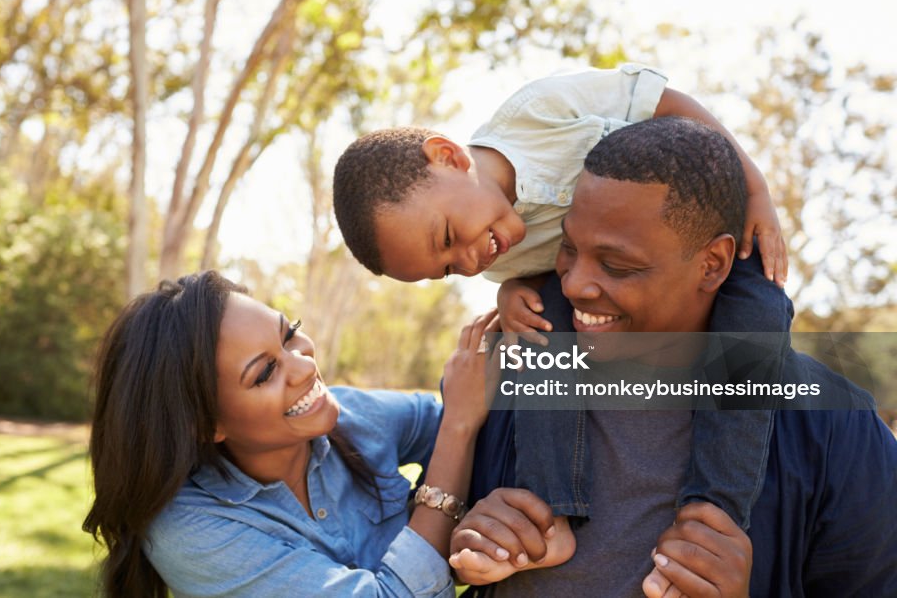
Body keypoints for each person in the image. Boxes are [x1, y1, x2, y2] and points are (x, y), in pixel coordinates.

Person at [332, 63, 791, 534]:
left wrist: (753, 188)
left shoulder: (538, 113)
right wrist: (513, 290)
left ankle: (716, 510)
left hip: (699, 238)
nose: (469, 263)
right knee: (538, 333)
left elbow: (665, 100)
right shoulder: (497, 255)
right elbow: (539, 274)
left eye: (449, 237)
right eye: (448, 269)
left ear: (447, 156)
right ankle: (548, 511)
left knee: (760, 313)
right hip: (613, 296)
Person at [448, 116, 897, 596]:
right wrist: (468, 548)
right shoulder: (509, 377)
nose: (574, 284)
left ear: (713, 264)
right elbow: (427, 537)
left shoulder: (833, 429)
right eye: (569, 247)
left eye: (618, 265)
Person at [82, 271, 574, 597]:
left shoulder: (348, 417)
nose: (303, 365)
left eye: (288, 332)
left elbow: (484, 418)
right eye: (263, 373)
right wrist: (459, 431)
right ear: (205, 425)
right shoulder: (191, 533)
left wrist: (527, 293)